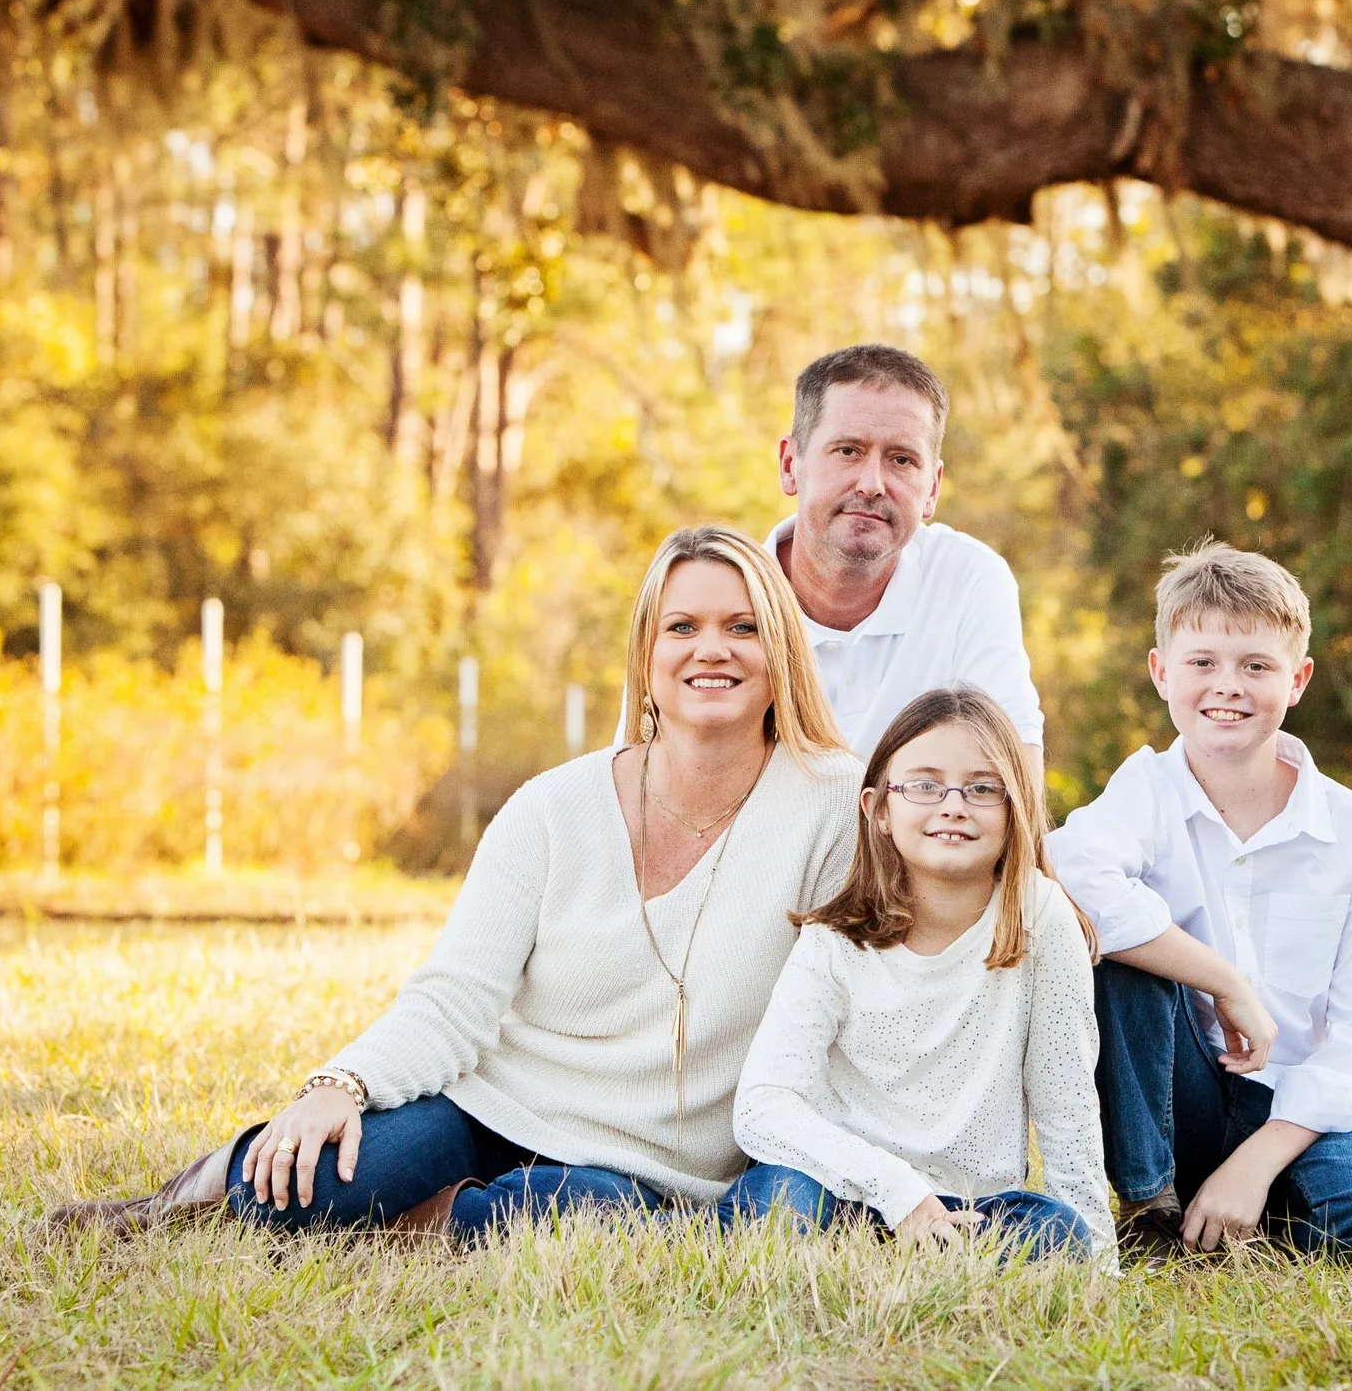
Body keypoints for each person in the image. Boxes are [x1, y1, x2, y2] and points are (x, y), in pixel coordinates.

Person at [46, 527, 860, 1242]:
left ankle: (429, 1225)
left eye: (742, 627)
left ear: (779, 650)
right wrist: (339, 1083)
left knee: (584, 1216)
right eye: (682, 626)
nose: (710, 649)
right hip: (495, 1108)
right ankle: (194, 1191)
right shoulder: (552, 808)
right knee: (300, 1192)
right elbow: (457, 995)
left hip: (650, 1165)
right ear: (647, 659)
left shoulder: (832, 803)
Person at [1046, 541, 1352, 1259]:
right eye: (1202, 662)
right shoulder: (1146, 792)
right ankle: (1154, 1208)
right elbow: (1066, 870)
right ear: (1162, 672)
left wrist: (1257, 1160)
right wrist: (1222, 979)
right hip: (1178, 1097)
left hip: (1297, 1105)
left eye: (1256, 665)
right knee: (1123, 947)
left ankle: (1245, 1201)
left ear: (1299, 679)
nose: (1226, 685)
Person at [719, 686, 1115, 1263]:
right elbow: (762, 1106)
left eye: (982, 788)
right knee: (780, 1205)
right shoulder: (834, 940)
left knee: (1061, 1236)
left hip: (972, 1210)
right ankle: (854, 1271)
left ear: (1016, 808)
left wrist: (1098, 1266)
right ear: (879, 809)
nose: (953, 805)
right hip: (839, 1188)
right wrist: (898, 1192)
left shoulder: (1043, 919)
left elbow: (1068, 1108)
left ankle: (911, 1264)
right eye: (924, 785)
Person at [770, 344, 1045, 779]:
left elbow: (1012, 770)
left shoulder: (969, 580)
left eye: (901, 460)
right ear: (790, 464)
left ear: (932, 488)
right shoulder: (722, 593)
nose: (872, 484)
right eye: (848, 451)